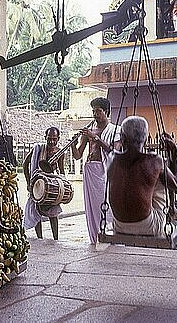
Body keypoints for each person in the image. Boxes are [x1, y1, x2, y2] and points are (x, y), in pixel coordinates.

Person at [108, 116, 177, 237]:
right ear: (145, 139)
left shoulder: (112, 158)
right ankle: (172, 210)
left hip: (119, 224)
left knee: (151, 177)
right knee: (159, 178)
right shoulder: (155, 160)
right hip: (147, 226)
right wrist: (175, 154)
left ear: (122, 138)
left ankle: (169, 209)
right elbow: (175, 185)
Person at [71, 97, 121, 244]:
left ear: (107, 112)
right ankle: (95, 236)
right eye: (94, 111)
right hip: (90, 171)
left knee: (106, 205)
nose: (95, 114)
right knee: (92, 207)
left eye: (98, 111)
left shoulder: (115, 130)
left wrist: (96, 138)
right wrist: (74, 144)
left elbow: (114, 151)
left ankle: (109, 234)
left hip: (104, 171)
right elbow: (78, 155)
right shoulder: (89, 132)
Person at [23, 127, 65, 240]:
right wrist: (29, 183)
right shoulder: (38, 148)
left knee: (53, 213)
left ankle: (56, 238)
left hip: (51, 185)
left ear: (58, 139)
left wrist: (63, 186)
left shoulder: (60, 152)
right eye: (49, 139)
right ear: (45, 138)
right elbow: (25, 164)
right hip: (37, 184)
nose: (51, 142)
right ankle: (39, 238)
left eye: (54, 139)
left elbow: (61, 171)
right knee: (36, 210)